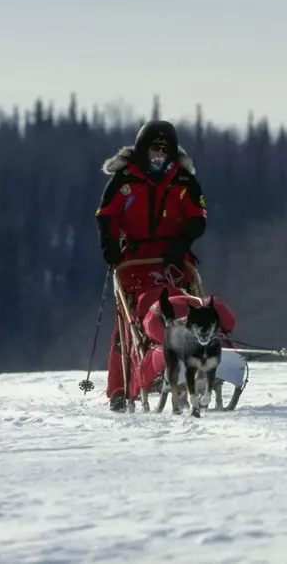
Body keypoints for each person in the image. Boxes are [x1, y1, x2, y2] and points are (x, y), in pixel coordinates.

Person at [95, 119, 207, 411]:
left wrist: (180, 245)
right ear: (143, 149)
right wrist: (109, 246)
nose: (158, 154)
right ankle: (121, 388)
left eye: (164, 149)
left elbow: (198, 218)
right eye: (153, 148)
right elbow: (107, 217)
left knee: (189, 305)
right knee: (128, 324)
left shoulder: (183, 181)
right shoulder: (123, 180)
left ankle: (202, 358)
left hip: (173, 260)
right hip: (134, 262)